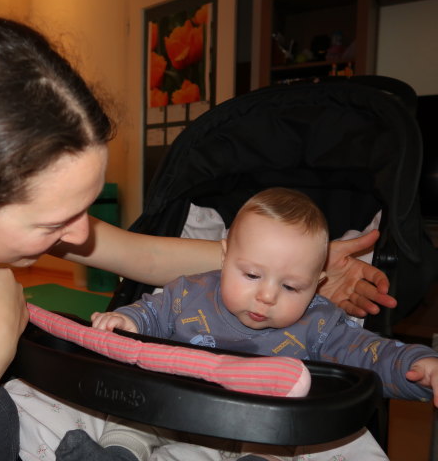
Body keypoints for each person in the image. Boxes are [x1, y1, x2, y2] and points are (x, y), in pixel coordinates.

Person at [0, 14, 395, 460]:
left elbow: (135, 251)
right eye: (54, 223)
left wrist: (275, 265)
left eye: (82, 208)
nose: (78, 236)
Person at [64, 187, 438, 461]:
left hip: (258, 428)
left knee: (278, 447)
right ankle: (115, 456)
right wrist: (125, 320)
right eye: (252, 275)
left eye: (291, 286)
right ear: (225, 255)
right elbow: (150, 312)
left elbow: (369, 354)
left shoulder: (320, 322)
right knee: (129, 415)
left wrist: (415, 366)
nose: (267, 296)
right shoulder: (186, 293)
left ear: (318, 284)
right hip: (169, 407)